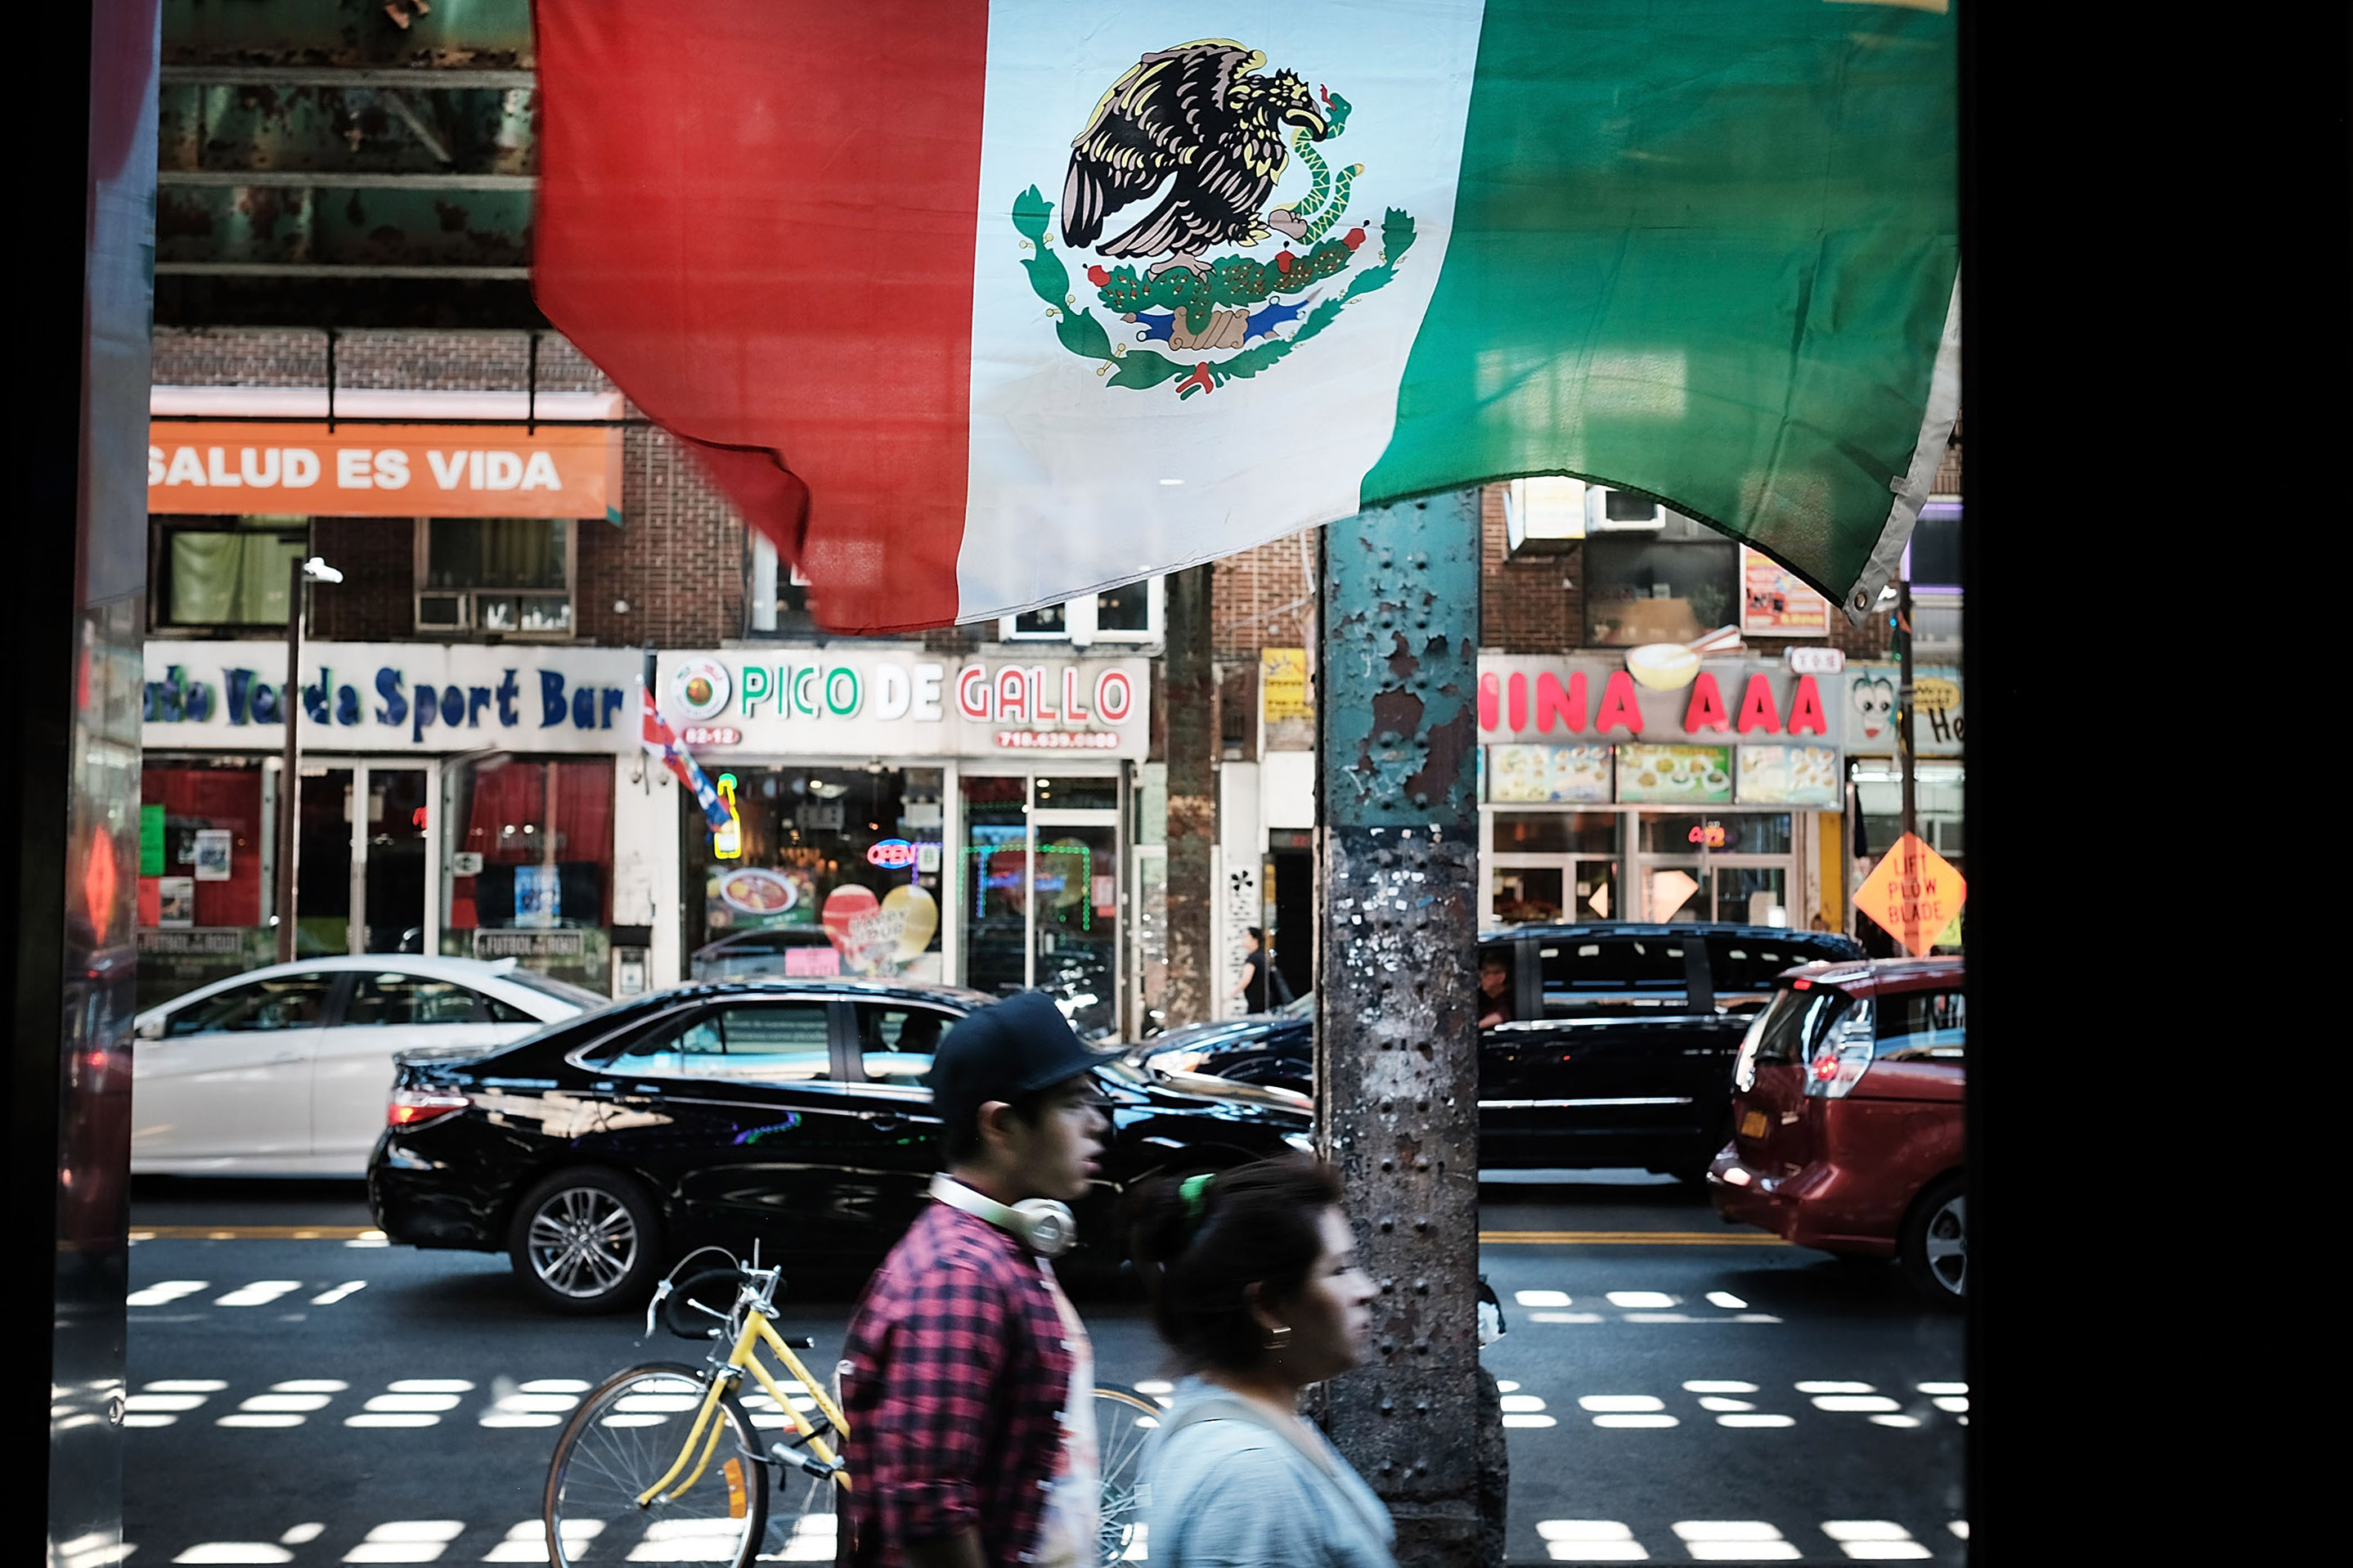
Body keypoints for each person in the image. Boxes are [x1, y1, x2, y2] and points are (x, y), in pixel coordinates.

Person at [835, 991, 1116, 1568]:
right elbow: (927, 1506)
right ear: (1002, 1124)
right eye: (1072, 1103)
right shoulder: (958, 1276)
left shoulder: (1002, 1244)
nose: (1098, 1123)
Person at [1125, 1157, 1394, 1567]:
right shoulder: (1252, 1478)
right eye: (1338, 1271)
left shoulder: (1229, 1409)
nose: (1367, 1290)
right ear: (1267, 1306)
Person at [1476, 950, 1515, 1028]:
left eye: (1486, 973)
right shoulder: (1485, 999)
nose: (1481, 977)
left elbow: (1499, 1017)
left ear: (1501, 977)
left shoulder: (1507, 1002)